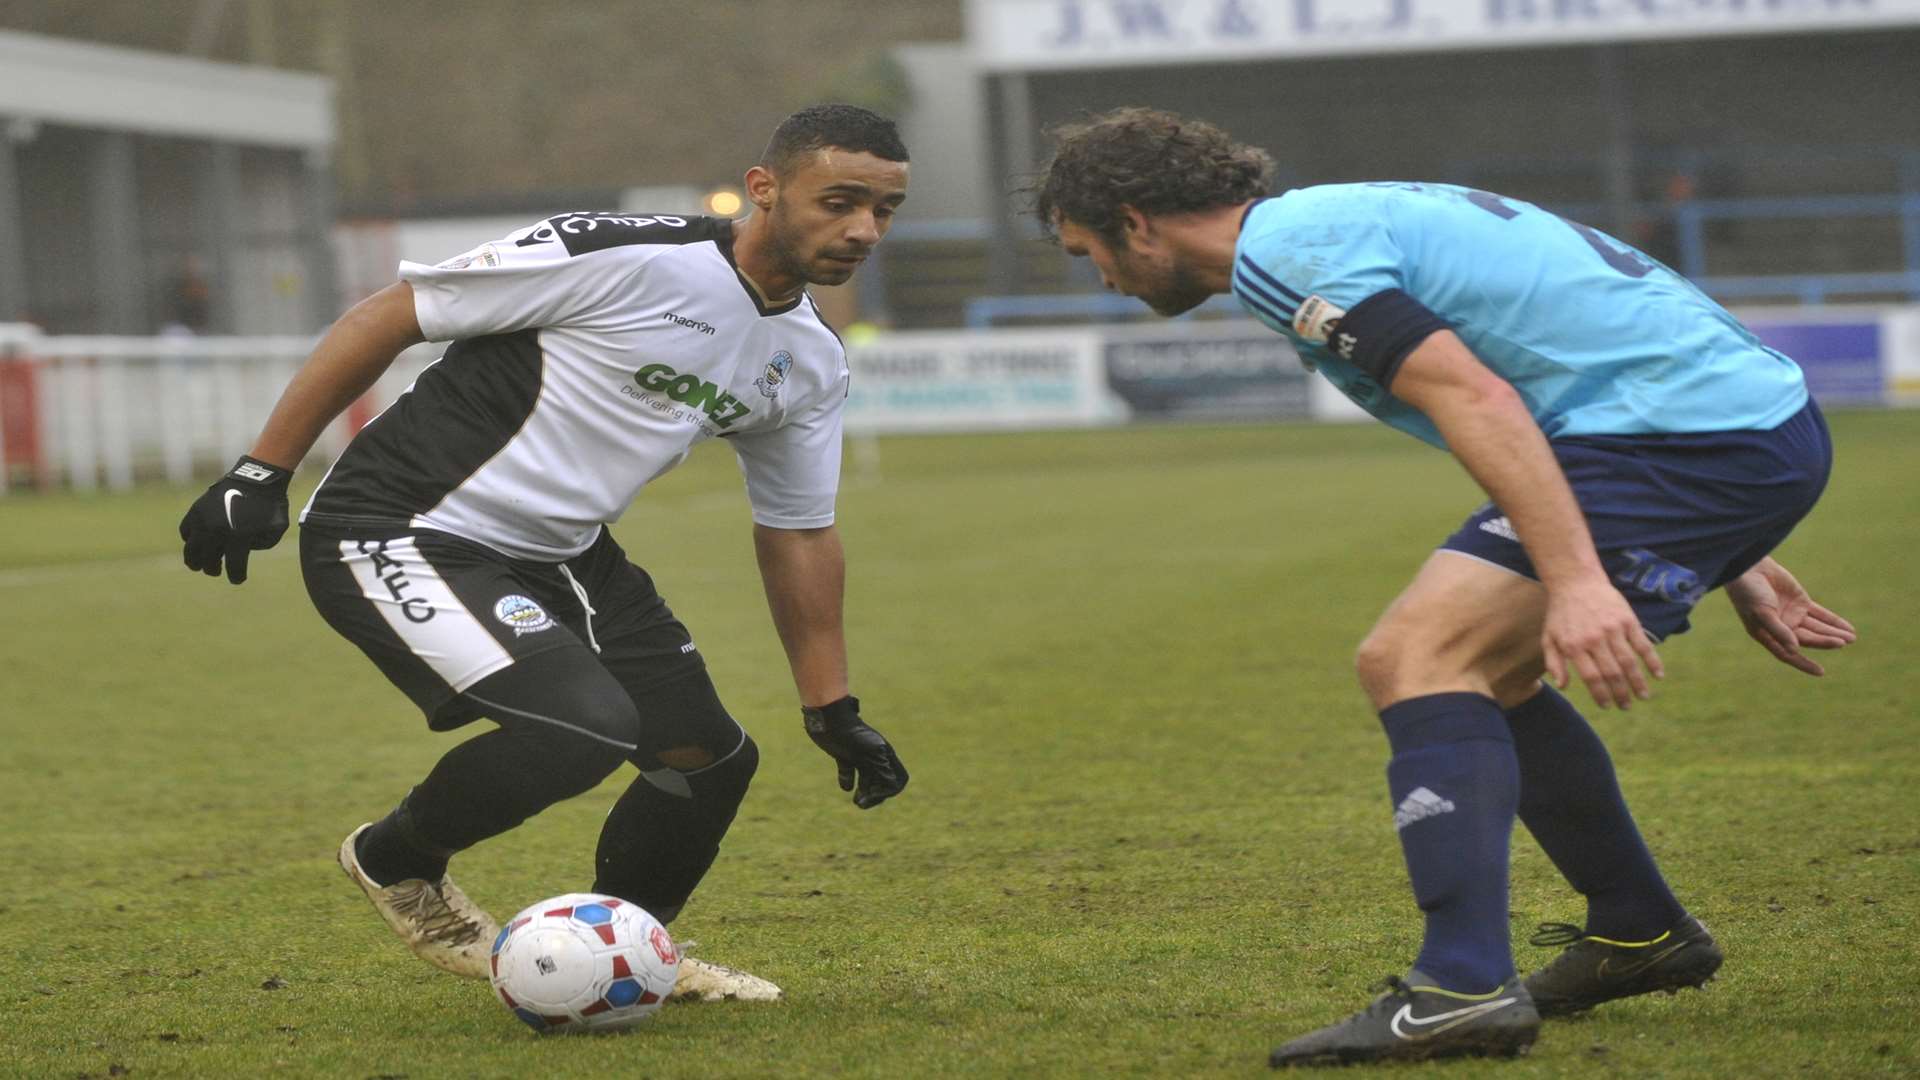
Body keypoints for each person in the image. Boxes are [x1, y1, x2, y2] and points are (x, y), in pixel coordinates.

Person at [1031, 108, 1856, 1067]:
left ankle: (1460, 986)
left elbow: (1479, 397)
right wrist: (1735, 560)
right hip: (1720, 430)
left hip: (1678, 442)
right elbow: (1562, 346)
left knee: (1418, 659)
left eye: (1089, 250)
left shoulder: (1287, 258)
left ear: (1136, 222)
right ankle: (1640, 931)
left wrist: (1582, 578)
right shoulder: (1329, 222)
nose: (1102, 278)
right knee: (1490, 674)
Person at [178, 104, 913, 1001]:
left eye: (883, 211)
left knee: (708, 759)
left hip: (565, 557)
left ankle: (617, 961)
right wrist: (263, 470)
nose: (863, 230)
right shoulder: (623, 253)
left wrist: (830, 704)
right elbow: (393, 315)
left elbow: (798, 529)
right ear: (764, 189)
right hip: (396, 525)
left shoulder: (810, 359)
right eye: (839, 202)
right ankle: (396, 859)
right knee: (585, 725)